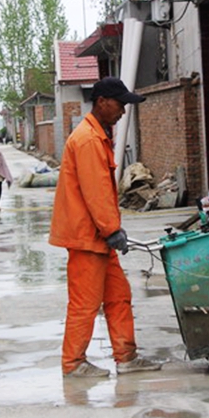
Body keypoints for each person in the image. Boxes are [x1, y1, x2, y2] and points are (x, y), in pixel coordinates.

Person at [49, 77, 162, 378]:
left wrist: (111, 232)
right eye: (120, 104)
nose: (123, 111)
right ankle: (73, 364)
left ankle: (126, 358)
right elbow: (95, 190)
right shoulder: (87, 140)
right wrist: (112, 229)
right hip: (88, 237)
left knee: (118, 296)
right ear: (102, 102)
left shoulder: (97, 135)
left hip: (98, 237)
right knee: (85, 303)